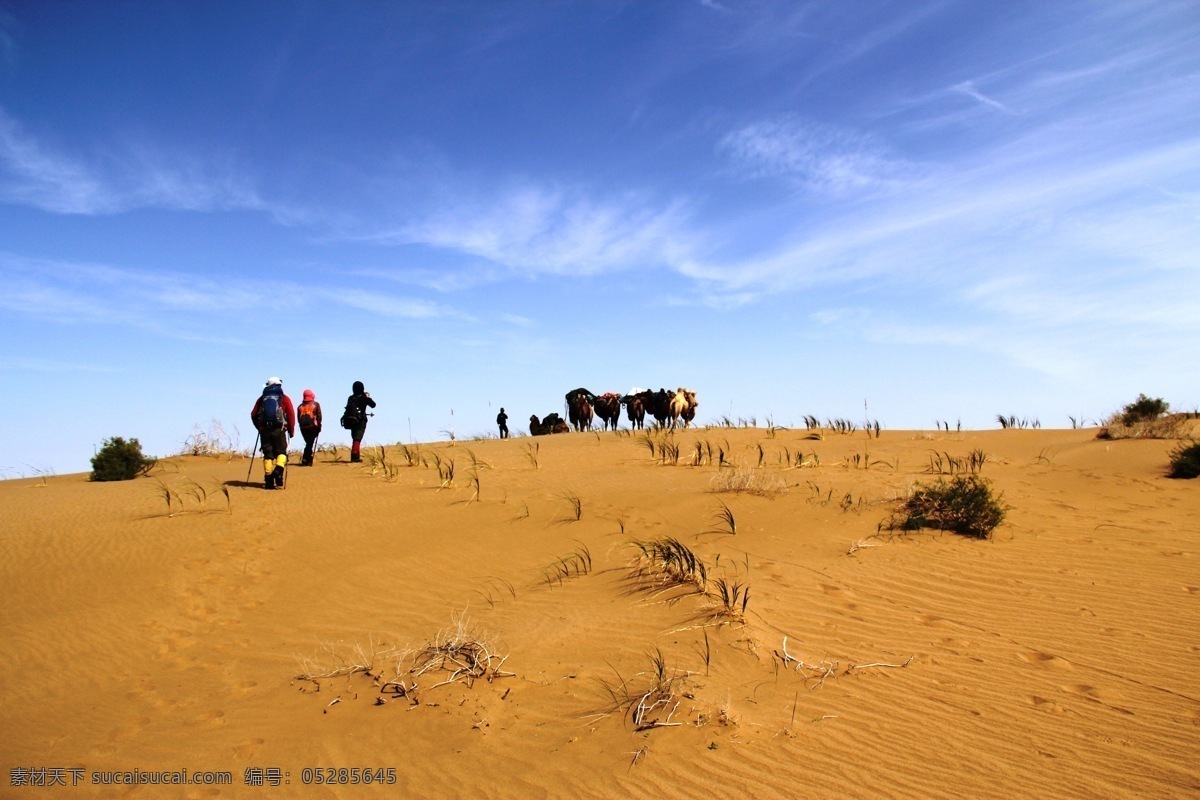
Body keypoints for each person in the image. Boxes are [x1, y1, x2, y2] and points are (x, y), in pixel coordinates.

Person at [251, 377, 296, 490]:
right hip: (279, 429)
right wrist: (291, 430)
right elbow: (290, 415)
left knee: (268, 454)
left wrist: (259, 427)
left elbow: (253, 414)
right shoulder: (284, 398)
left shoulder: (262, 399)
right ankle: (278, 470)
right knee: (281, 452)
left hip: (264, 430)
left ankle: (268, 479)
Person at [342, 380, 376, 463]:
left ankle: (355, 455)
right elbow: (373, 405)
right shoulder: (364, 398)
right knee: (357, 438)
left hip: (351, 420)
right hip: (361, 420)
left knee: (355, 437)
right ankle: (355, 456)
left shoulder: (350, 398)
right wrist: (367, 397)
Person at [296, 389, 323, 466]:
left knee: (309, 443)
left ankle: (308, 459)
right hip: (313, 427)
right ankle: (305, 458)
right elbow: (319, 416)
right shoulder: (316, 404)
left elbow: (298, 418)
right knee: (310, 443)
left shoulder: (300, 407)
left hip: (303, 428)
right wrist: (319, 426)